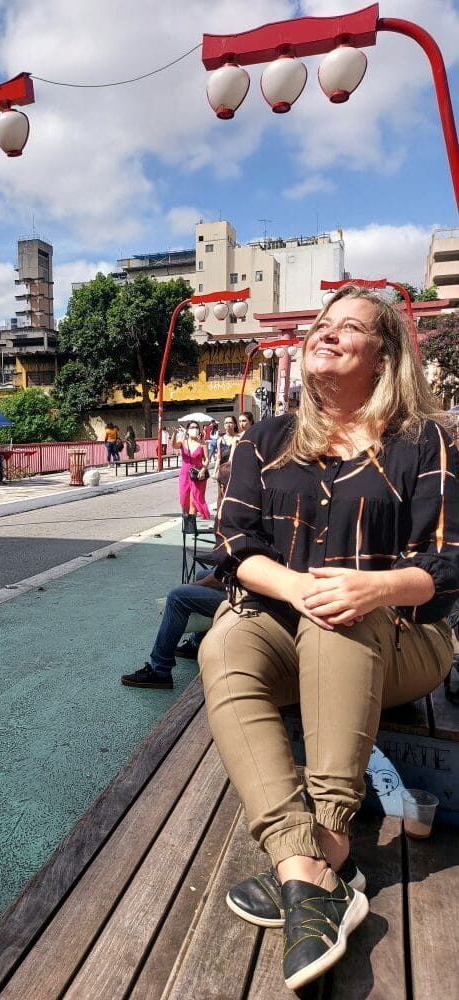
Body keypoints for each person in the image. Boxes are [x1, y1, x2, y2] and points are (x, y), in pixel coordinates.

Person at [198, 284, 459, 990]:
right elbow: (235, 543)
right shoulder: (268, 437)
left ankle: (333, 838)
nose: (329, 333)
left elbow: (447, 564)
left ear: (384, 358)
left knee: (346, 609)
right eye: (323, 324)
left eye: (351, 327)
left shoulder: (421, 440)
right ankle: (304, 868)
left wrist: (370, 586)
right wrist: (299, 589)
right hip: (296, 631)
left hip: (402, 639)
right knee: (223, 642)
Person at [121, 569, 225, 689]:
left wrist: (195, 584)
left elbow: (221, 575)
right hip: (245, 587)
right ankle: (199, 642)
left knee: (177, 596)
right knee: (202, 575)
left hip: (245, 597)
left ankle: (159, 671)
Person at [172, 420, 210, 533]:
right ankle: (186, 522)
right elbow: (174, 445)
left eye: (196, 427)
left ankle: (191, 527)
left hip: (197, 474)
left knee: (194, 500)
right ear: (187, 430)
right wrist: (174, 434)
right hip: (184, 474)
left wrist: (203, 469)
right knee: (184, 499)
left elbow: (207, 459)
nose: (194, 429)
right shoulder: (183, 442)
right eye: (192, 427)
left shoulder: (203, 443)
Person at [212, 414, 239, 505]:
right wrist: (215, 472)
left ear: (235, 424)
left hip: (236, 470)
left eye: (230, 422)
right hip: (223, 470)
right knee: (221, 494)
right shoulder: (220, 440)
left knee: (234, 494)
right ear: (223, 425)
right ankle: (221, 515)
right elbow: (218, 457)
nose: (228, 425)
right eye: (226, 423)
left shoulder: (239, 438)